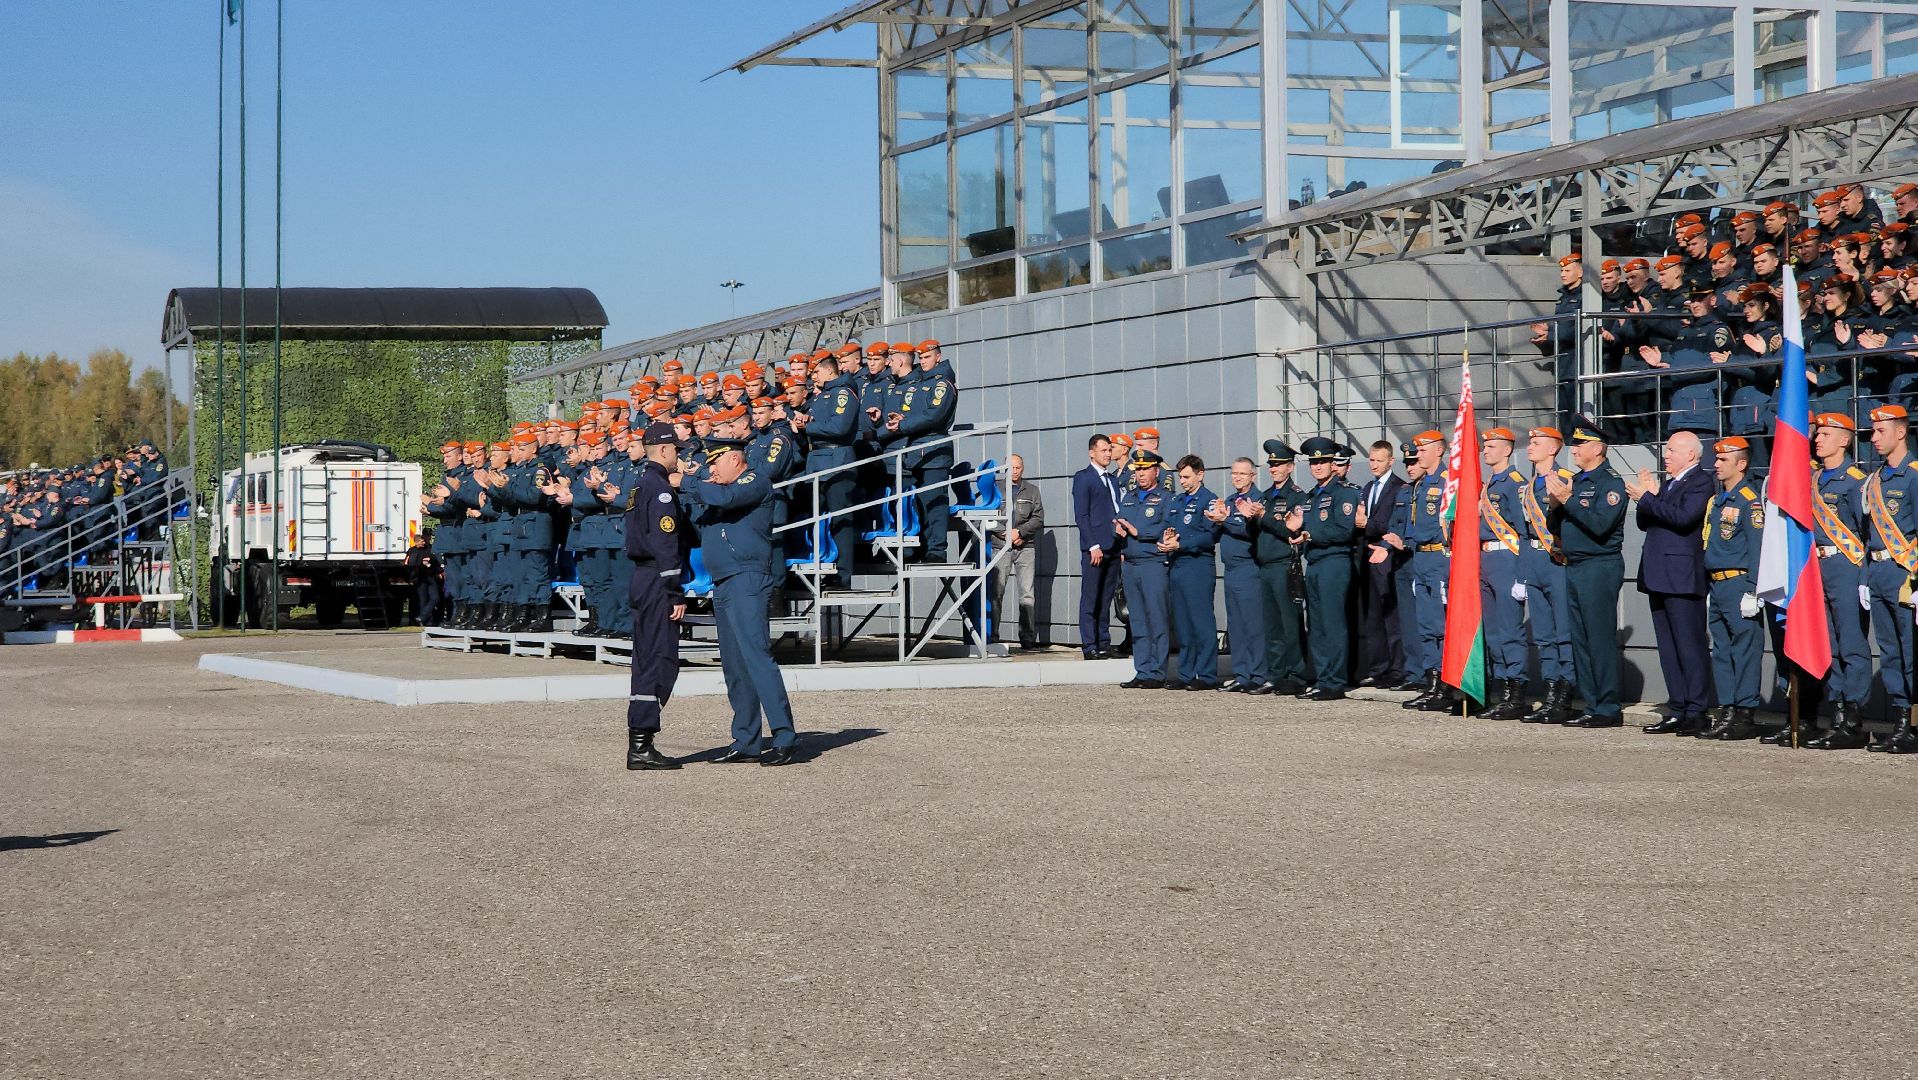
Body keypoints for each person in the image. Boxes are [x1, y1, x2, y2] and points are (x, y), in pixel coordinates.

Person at [677, 438, 802, 766]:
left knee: (757, 658)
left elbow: (725, 496)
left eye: (715, 463)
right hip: (724, 582)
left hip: (747, 578)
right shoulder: (719, 493)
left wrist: (689, 480)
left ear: (735, 459)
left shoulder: (753, 480)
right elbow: (699, 523)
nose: (711, 470)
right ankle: (746, 740)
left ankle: (785, 737)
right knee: (734, 665)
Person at [1627, 431, 1714, 736]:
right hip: (1658, 574)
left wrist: (1648, 498)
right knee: (1668, 646)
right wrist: (1649, 498)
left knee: (1689, 645)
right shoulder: (1669, 484)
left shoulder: (1701, 482)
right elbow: (1645, 521)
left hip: (1681, 576)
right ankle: (1678, 707)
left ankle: (1697, 709)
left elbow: (1684, 518)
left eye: (1672, 450)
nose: (1666, 455)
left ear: (1691, 455)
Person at [1546, 417, 1629, 728]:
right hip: (1576, 564)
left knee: (1598, 638)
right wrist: (1556, 506)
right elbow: (1557, 525)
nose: (1575, 450)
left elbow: (1599, 525)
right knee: (1580, 638)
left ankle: (1607, 707)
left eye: (1580, 444)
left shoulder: (1611, 483)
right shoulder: (1577, 481)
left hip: (1599, 565)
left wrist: (1567, 501)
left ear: (1598, 448)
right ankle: (1591, 703)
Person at [616, 422, 689, 771]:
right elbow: (665, 543)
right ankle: (642, 745)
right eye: (675, 449)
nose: (678, 455)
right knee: (659, 660)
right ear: (663, 451)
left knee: (645, 658)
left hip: (642, 577)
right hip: (657, 581)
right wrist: (675, 591)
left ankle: (640, 742)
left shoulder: (637, 486)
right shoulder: (659, 489)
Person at [1802, 413, 1873, 749]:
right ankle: (1838, 710)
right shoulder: (1814, 479)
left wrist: (1864, 577)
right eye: (1818, 434)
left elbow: (1867, 533)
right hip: (1819, 567)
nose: (1818, 439)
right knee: (1828, 645)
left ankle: (1854, 719)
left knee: (1852, 644)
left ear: (1845, 440)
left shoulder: (1856, 480)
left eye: (1826, 434)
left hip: (1846, 566)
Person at [1696, 436, 1766, 741]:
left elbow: (1757, 548)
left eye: (1723, 460)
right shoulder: (1717, 500)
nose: (1716, 465)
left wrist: (1753, 589)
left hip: (1739, 583)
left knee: (1745, 650)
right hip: (1718, 583)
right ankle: (1726, 709)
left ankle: (1745, 713)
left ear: (1742, 463)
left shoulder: (1748, 501)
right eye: (1716, 459)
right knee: (1722, 650)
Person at [1859, 404, 1918, 754]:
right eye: (1873, 432)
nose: (1874, 438)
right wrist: (1866, 576)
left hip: (1905, 575)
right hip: (1880, 572)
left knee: (1911, 651)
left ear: (1901, 432)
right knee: (1890, 651)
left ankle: (1912, 723)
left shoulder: (1913, 474)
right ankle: (1899, 720)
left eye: (1881, 431)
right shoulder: (1875, 479)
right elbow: (1868, 536)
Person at [1292, 436, 1361, 701]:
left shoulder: (1344, 493)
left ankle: (1335, 681)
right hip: (1315, 562)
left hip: (1335, 561)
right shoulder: (1311, 496)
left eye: (1323, 461)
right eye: (1314, 462)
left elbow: (1343, 530)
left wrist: (1310, 535)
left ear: (1334, 463)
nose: (1318, 466)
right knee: (1317, 624)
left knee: (1333, 623)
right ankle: (1323, 678)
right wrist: (1297, 533)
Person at [1516, 428, 1577, 725]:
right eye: (1530, 442)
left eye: (1537, 443)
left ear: (1553, 449)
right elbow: (1522, 533)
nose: (1530, 447)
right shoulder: (1527, 487)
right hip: (1535, 560)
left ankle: (1565, 693)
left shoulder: (1564, 479)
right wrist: (1522, 572)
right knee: (1543, 633)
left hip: (1557, 560)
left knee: (1563, 631)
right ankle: (1551, 690)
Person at [792, 357, 861, 588]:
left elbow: (840, 427)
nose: (813, 376)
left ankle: (843, 574)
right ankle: (821, 565)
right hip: (818, 461)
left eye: (816, 371)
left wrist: (808, 426)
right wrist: (802, 427)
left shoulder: (843, 392)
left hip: (836, 461)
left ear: (827, 371)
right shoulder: (821, 396)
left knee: (841, 518)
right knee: (816, 518)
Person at [1477, 429, 1531, 720]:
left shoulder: (1514, 483)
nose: (1486, 450)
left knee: (1510, 630)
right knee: (1494, 632)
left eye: (1492, 445)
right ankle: (1502, 691)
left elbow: (1522, 533)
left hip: (1507, 559)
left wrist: (1522, 575)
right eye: (1485, 445)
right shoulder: (1490, 483)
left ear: (1507, 450)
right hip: (1487, 559)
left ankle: (1517, 692)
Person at [1399, 430, 1452, 712]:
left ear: (1439, 450)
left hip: (1439, 559)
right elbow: (1413, 523)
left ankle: (1445, 685)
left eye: (1422, 449)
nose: (1417, 454)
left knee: (1441, 627)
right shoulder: (1420, 485)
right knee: (1426, 626)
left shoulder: (1447, 482)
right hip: (1420, 560)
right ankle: (1431, 684)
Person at [1252, 440, 1309, 694]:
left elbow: (1289, 530)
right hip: (1265, 565)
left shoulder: (1296, 496)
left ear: (1290, 466)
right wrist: (1251, 518)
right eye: (1271, 464)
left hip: (1285, 564)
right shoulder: (1265, 496)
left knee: (1290, 624)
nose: (1273, 469)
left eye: (1278, 464)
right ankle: (1277, 674)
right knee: (1272, 625)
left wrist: (1263, 517)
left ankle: (1296, 675)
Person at [1114, 449, 1173, 689]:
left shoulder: (1166, 498)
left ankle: (1158, 672)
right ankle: (1142, 669)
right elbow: (1121, 521)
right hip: (1130, 564)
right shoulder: (1129, 497)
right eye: (1137, 469)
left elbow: (1168, 528)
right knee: (1137, 620)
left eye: (1145, 469)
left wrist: (1140, 533)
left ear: (1156, 471)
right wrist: (1117, 530)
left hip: (1153, 564)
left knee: (1156, 618)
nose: (1140, 474)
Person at [1209, 457, 1268, 693]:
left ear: (1252, 476)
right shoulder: (1231, 501)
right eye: (1234, 473)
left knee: (1253, 623)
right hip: (1231, 569)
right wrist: (1216, 519)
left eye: (1242, 474)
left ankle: (1258, 673)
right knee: (1236, 625)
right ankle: (1241, 673)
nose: (1237, 478)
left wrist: (1226, 521)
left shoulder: (1257, 500)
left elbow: (1249, 531)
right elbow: (1216, 533)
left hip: (1249, 567)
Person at [1164, 455, 1222, 690]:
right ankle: (1186, 673)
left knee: (1201, 622)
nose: (1183, 481)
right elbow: (1171, 527)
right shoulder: (1178, 500)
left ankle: (1206, 675)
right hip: (1178, 565)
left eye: (1187, 476)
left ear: (1200, 474)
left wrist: (1182, 545)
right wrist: (1167, 539)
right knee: (1183, 624)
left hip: (1197, 566)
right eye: (1181, 477)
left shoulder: (1208, 501)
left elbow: (1210, 536)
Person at [1354, 439, 1405, 687]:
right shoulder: (1367, 488)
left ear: (1390, 461)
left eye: (1379, 460)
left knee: (1390, 615)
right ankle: (1378, 669)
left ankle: (1396, 670)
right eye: (1371, 460)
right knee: (1372, 616)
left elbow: (1393, 523)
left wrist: (1367, 524)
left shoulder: (1398, 488)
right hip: (1368, 557)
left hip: (1388, 557)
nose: (1374, 465)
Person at [1072, 434, 1121, 659]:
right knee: (1091, 596)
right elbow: (1082, 515)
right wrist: (1093, 545)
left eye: (1110, 450)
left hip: (1114, 546)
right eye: (1104, 450)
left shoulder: (1112, 479)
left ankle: (1103, 642)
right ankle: (1089, 644)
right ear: (1092, 452)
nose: (1108, 454)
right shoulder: (1084, 478)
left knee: (1106, 596)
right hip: (1095, 547)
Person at [992, 454, 1045, 650]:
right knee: (996, 592)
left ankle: (1028, 638)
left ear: (1023, 468)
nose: (1015, 471)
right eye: (1011, 467)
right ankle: (993, 636)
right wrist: (1006, 534)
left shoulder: (1032, 491)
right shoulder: (995, 489)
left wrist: (1020, 532)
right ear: (1005, 468)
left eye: (1018, 467)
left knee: (1027, 594)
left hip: (1026, 546)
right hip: (1000, 546)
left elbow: (1038, 519)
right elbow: (987, 516)